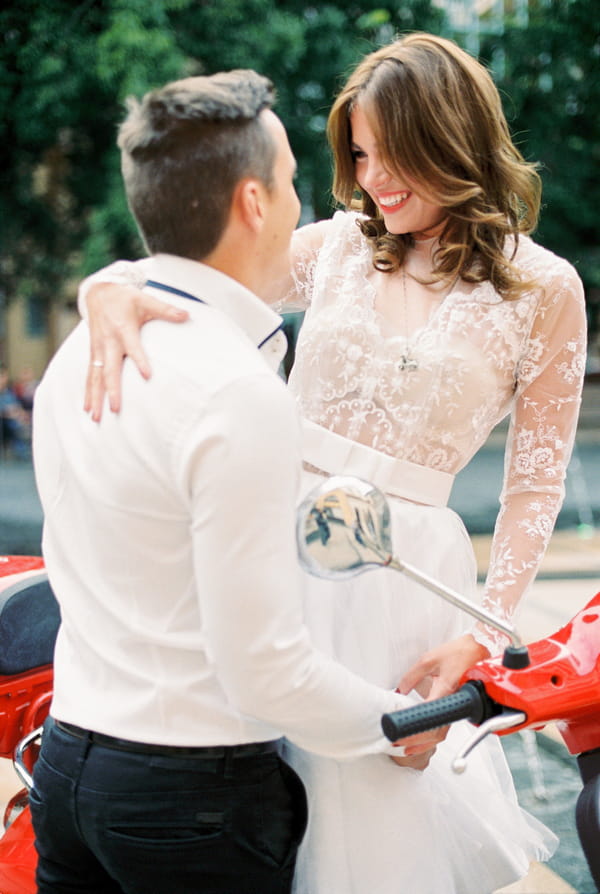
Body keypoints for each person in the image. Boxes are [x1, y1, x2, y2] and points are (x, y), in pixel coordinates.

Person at [77, 34, 587, 894]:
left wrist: (482, 635)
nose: (373, 177)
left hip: (405, 586)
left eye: (397, 154)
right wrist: (107, 287)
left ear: (453, 142)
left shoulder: (544, 291)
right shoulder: (338, 247)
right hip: (269, 544)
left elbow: (534, 487)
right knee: (235, 802)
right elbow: (193, 273)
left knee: (371, 840)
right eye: (359, 152)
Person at [30, 69, 416, 894]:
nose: (300, 208)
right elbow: (263, 670)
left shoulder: (78, 352)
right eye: (289, 185)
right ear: (251, 202)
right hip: (189, 801)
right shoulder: (235, 392)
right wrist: (396, 724)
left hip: (66, 770)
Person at [0, 364, 31, 459]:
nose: (3, 379)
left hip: (15, 418)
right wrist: (7, 413)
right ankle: (21, 450)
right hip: (6, 422)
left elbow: (17, 406)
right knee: (13, 424)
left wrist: (23, 414)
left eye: (4, 376)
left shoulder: (8, 393)